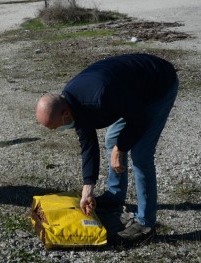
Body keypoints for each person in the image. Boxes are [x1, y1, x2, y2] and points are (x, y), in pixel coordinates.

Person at [35, 53, 178, 241]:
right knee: (112, 138)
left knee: (141, 155)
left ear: (64, 113)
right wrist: (88, 189)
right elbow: (88, 146)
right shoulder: (72, 101)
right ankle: (115, 197)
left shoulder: (100, 97)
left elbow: (139, 119)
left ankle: (146, 224)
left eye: (54, 127)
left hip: (158, 85)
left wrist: (121, 147)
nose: (55, 131)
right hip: (129, 93)